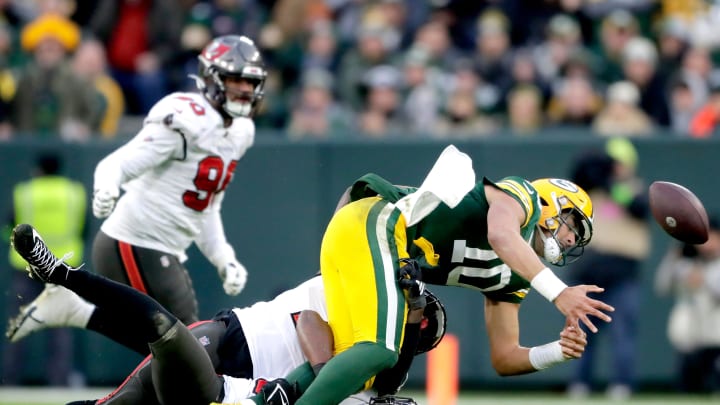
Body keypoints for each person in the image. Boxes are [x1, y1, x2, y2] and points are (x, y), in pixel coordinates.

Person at [247, 144, 612, 405]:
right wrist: (560, 294)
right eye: (572, 225)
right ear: (551, 202)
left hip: (370, 241)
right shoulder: (524, 196)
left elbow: (504, 357)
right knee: (378, 351)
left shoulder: (517, 275)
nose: (569, 239)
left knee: (357, 362)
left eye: (577, 238)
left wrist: (556, 352)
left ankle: (259, 401)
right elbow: (502, 235)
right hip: (376, 220)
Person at [7, 223, 445, 405]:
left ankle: (72, 295)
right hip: (233, 341)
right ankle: (64, 276)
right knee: (158, 338)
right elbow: (310, 322)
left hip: (227, 391)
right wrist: (320, 378)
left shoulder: (377, 369)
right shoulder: (358, 296)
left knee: (162, 338)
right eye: (411, 312)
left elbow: (389, 376)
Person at [89, 35, 267, 329]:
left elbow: (207, 206)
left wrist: (223, 257)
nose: (246, 89)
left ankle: (75, 312)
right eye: (236, 79)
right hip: (134, 241)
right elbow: (117, 163)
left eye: (251, 82)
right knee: (184, 345)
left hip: (162, 248)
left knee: (173, 349)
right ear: (212, 77)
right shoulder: (187, 118)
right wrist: (107, 185)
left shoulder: (241, 131)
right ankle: (77, 312)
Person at [566, 137, 651, 399]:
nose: (615, 168)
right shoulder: (591, 191)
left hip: (622, 272)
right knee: (580, 331)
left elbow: (638, 208)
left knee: (622, 332)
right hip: (590, 271)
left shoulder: (635, 189)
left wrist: (610, 185)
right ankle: (579, 383)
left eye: (619, 164)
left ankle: (622, 383)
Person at [1, 154, 87, 387]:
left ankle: (9, 380)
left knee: (19, 324)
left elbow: (10, 227)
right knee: (60, 326)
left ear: (37, 169)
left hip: (25, 267)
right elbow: (83, 229)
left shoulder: (24, 192)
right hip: (62, 268)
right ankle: (59, 381)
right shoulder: (74, 193)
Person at [655, 216, 720, 394]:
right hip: (689, 343)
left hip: (716, 343)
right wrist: (674, 255)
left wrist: (704, 279)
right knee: (687, 391)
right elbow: (662, 286)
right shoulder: (685, 263)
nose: (706, 243)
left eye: (711, 237)